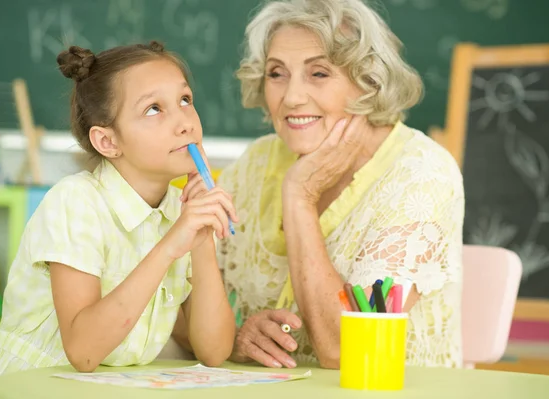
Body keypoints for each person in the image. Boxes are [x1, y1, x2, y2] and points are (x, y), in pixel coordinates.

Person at [190, 0, 465, 370]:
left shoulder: (422, 172)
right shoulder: (254, 164)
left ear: (368, 81)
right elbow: (172, 305)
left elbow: (345, 351)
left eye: (319, 73)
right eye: (276, 73)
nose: (291, 97)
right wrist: (234, 337)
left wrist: (300, 197)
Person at [0, 41, 237, 397]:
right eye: (153, 109)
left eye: (185, 100)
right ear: (108, 142)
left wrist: (202, 238)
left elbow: (214, 351)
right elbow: (83, 353)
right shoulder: (75, 202)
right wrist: (170, 246)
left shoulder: (181, 210)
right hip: (27, 387)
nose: (184, 123)